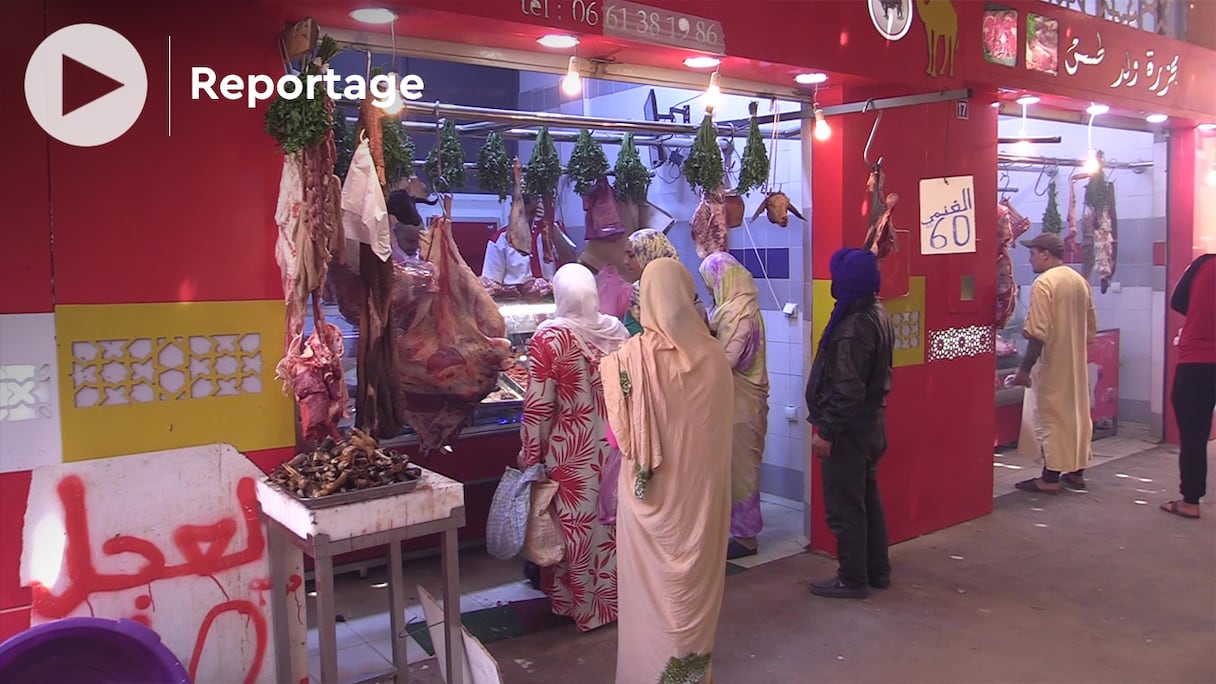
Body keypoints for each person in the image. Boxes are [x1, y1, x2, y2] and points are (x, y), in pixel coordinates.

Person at [601, 258, 734, 683]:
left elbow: (618, 440)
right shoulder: (714, 357)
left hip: (648, 503)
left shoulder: (628, 362)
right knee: (692, 593)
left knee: (649, 596)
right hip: (701, 503)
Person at [517, 263, 629, 631]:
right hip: (617, 446)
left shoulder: (550, 338)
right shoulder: (615, 331)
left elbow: (538, 405)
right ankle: (617, 602)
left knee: (574, 528)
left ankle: (582, 607)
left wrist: (530, 455)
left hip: (570, 451)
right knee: (611, 525)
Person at [805, 247, 894, 600]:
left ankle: (852, 577)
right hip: (871, 425)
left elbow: (846, 389)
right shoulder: (876, 312)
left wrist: (827, 432)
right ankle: (877, 570)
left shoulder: (853, 326)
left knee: (846, 507)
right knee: (867, 500)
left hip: (849, 432)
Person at [1008, 232, 1098, 494]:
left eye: (1033, 252)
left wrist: (1024, 370)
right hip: (1076, 362)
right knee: (1076, 415)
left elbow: (1037, 333)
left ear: (1045, 254)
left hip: (1052, 363)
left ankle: (1049, 478)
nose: (1030, 257)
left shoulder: (1044, 283)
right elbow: (1091, 327)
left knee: (1051, 419)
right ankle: (1077, 473)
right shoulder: (1078, 280)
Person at [700, 252, 770, 559]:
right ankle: (735, 529)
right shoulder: (729, 310)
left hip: (743, 405)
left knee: (742, 469)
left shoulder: (740, 314)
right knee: (730, 467)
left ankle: (746, 537)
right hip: (732, 404)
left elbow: (727, 360)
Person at [1161, 253, 1215, 520]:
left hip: (1198, 360)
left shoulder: (1205, 264)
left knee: (1194, 434)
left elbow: (1178, 302)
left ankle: (1191, 501)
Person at [624, 229, 709, 336]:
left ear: (650, 255)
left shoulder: (681, 291)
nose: (625, 262)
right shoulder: (637, 293)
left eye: (631, 256)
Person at [481, 194, 555, 285]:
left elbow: (571, 262)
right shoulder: (500, 238)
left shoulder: (550, 233)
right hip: (515, 296)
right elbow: (491, 281)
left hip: (551, 293)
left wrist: (550, 222)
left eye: (530, 213)